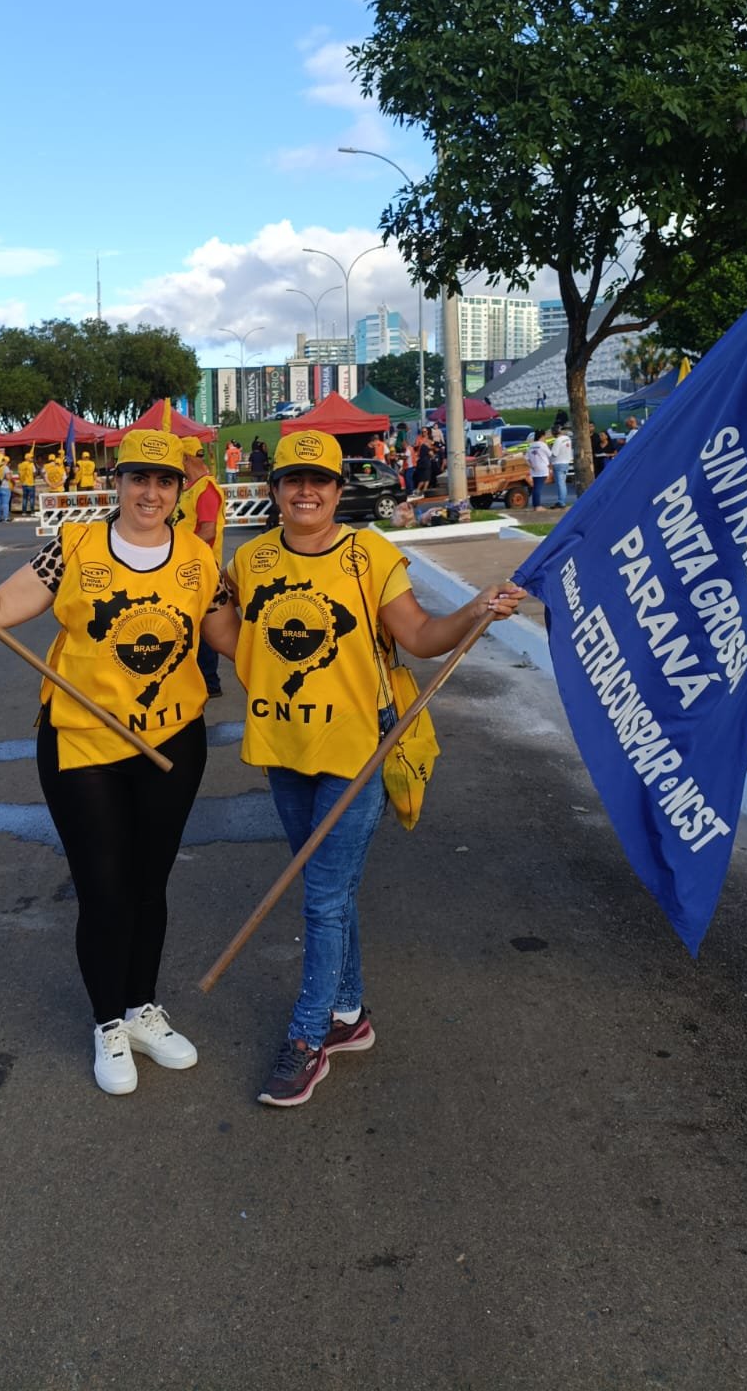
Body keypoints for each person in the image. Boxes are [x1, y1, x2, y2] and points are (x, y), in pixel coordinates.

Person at [0, 429, 239, 1097]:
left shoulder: (198, 559)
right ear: (117, 482)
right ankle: (108, 1021)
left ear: (176, 490)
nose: (150, 492)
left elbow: (239, 646)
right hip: (82, 741)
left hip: (171, 743)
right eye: (138, 478)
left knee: (150, 882)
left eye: (164, 482)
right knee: (104, 887)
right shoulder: (72, 549)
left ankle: (141, 1009)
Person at [227, 430, 524, 1106]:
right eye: (293, 480)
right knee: (330, 888)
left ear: (339, 491)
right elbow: (234, 634)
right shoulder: (251, 559)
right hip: (282, 750)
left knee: (323, 897)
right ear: (274, 490)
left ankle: (308, 1037)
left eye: (320, 481)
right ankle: (350, 1013)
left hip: (358, 754)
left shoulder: (369, 555)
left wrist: (476, 608)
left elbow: (419, 637)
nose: (306, 491)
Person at [177, 437, 226, 699]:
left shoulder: (205, 488)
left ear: (186, 459)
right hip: (188, 565)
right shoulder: (192, 488)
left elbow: (207, 530)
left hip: (199, 566)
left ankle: (209, 680)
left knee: (205, 625)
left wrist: (178, 551)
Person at [526, 430, 551, 509]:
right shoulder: (543, 445)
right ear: (542, 436)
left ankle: (535, 505)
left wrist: (531, 466)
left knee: (535, 487)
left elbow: (526, 458)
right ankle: (538, 506)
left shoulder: (531, 445)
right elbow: (550, 454)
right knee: (538, 488)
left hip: (534, 469)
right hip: (542, 468)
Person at [550, 426, 573, 508]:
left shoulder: (557, 441)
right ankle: (562, 500)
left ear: (553, 433)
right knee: (563, 483)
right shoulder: (567, 438)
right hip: (566, 462)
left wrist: (549, 450)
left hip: (558, 463)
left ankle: (561, 502)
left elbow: (554, 454)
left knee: (560, 484)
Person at [17, 449, 37, 515]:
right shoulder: (31, 465)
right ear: (28, 458)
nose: (32, 459)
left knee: (24, 498)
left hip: (24, 484)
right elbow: (34, 474)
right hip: (30, 483)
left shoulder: (20, 465)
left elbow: (19, 474)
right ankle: (32, 512)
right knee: (31, 498)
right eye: (31, 458)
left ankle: (24, 512)